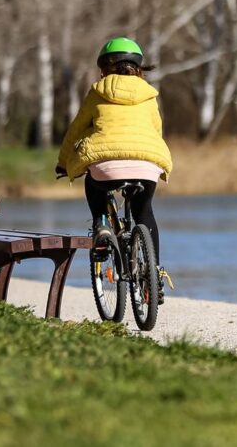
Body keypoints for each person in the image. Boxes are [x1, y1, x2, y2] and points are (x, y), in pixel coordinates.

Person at [56, 37, 173, 303]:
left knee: (93, 183)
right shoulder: (149, 95)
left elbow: (75, 130)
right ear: (139, 69)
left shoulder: (98, 91)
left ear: (105, 69)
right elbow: (156, 131)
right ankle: (152, 275)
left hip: (105, 165)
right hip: (147, 162)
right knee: (144, 211)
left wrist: (63, 163)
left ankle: (101, 226)